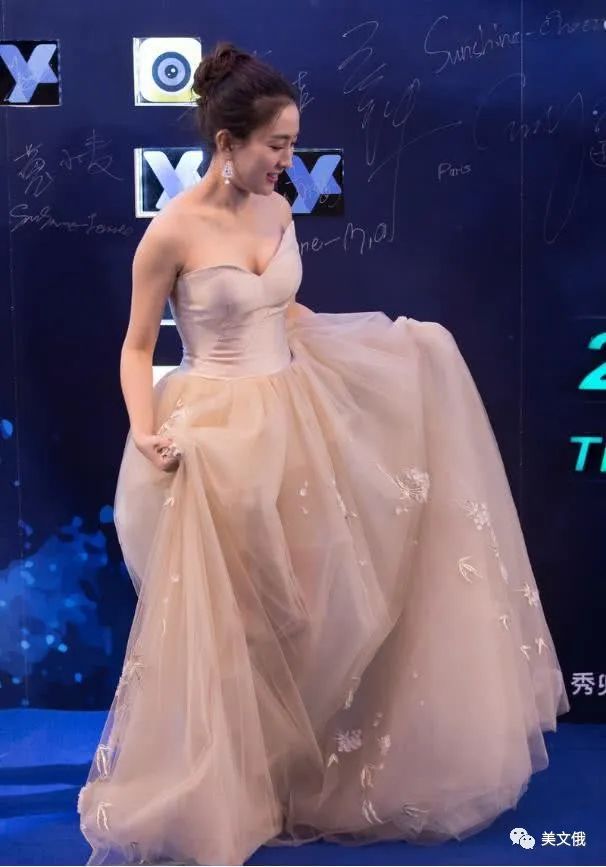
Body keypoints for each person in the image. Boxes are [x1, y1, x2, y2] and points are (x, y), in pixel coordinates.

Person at [77, 40, 570, 866]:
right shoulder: (170, 232)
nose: (287, 160)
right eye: (276, 145)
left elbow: (284, 312)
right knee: (234, 624)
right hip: (212, 439)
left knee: (310, 608)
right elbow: (135, 348)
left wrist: (396, 346)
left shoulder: (278, 209)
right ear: (227, 142)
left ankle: (293, 772)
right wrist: (142, 428)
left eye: (293, 144)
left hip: (295, 418)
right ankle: (226, 791)